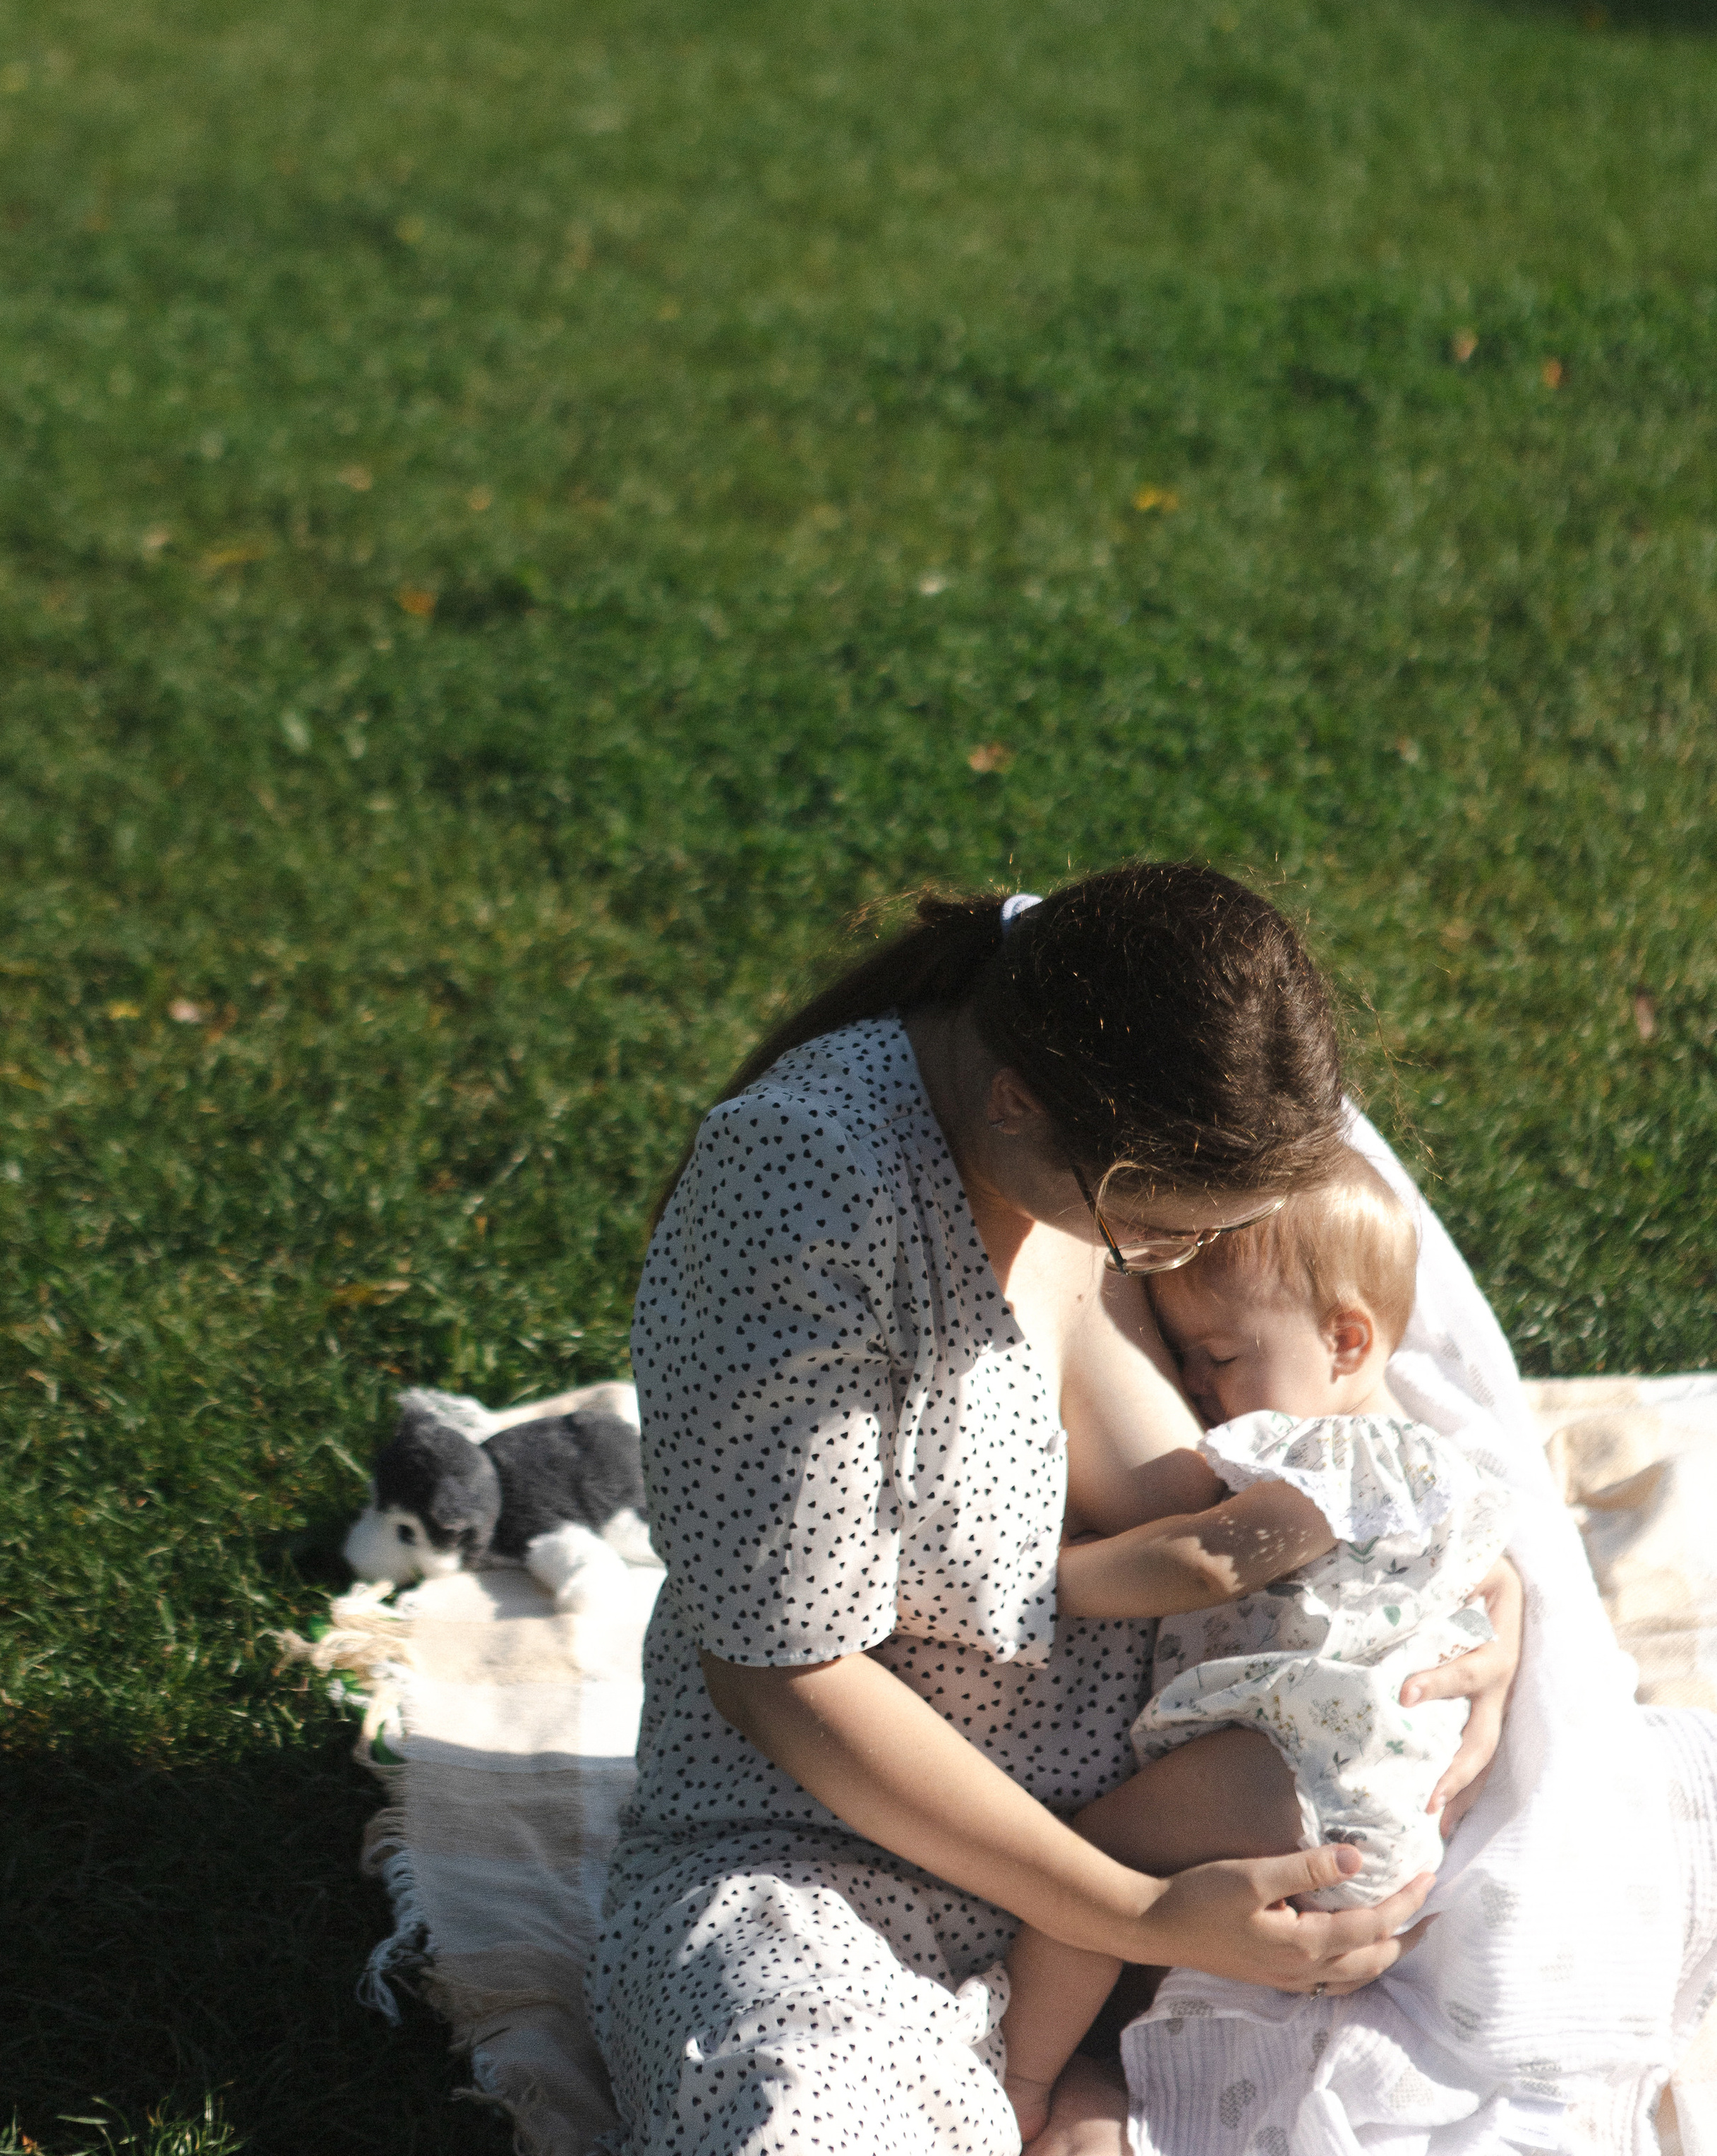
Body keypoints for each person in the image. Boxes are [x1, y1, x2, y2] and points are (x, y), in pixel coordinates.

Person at [588, 868, 1522, 2156]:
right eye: (1153, 1239)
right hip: (834, 1857)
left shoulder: (1101, 1129)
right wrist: (1128, 1914)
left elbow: (1232, 1494)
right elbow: (780, 1677)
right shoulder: (811, 1183)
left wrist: (1470, 1583)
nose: (1175, 1279)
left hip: (1144, 1827)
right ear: (1016, 1103)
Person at [995, 1152, 1513, 2143]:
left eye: (1219, 1354)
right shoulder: (1428, 1476)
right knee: (1148, 1961)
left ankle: (1018, 2077)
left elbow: (1209, 1564)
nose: (1197, 1384)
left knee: (1087, 1867)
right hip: (1349, 1808)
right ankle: (1098, 2090)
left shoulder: (1348, 1456)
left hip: (1303, 1783)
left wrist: (1033, 1578)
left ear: (1346, 1340)